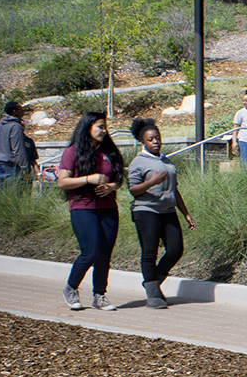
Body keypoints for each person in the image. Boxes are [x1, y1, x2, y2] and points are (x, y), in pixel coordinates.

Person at [57, 111, 125, 311]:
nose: (104, 131)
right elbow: (62, 181)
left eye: (105, 127)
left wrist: (111, 187)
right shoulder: (72, 152)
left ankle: (99, 296)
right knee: (91, 251)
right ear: (88, 128)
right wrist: (89, 179)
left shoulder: (109, 152)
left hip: (108, 208)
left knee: (105, 254)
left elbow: (118, 179)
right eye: (100, 127)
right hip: (83, 207)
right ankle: (71, 288)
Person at [126, 119, 193, 309]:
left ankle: (151, 282)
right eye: (150, 139)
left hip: (168, 210)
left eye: (157, 138)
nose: (155, 141)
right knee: (149, 252)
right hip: (146, 210)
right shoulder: (138, 162)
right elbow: (134, 190)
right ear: (143, 142)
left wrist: (185, 213)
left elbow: (175, 189)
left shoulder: (166, 160)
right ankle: (154, 293)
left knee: (175, 249)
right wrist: (151, 181)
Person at [0, 100, 35, 183]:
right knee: (16, 192)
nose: (23, 112)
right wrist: (25, 167)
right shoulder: (16, 126)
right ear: (14, 111)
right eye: (21, 110)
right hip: (12, 166)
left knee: (3, 193)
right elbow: (17, 148)